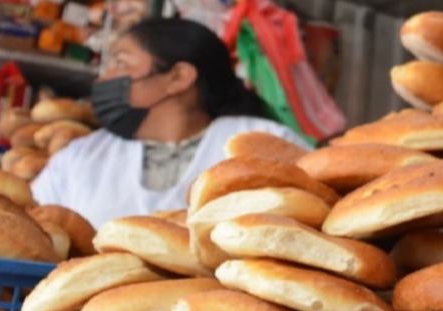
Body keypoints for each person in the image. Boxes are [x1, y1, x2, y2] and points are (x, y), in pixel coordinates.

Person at [32, 18, 308, 228]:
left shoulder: (265, 141)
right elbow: (33, 231)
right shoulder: (77, 159)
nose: (102, 80)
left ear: (178, 77)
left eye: (119, 63)